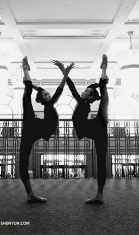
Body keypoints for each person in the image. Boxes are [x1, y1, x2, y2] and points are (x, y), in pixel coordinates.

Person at [54, 55, 109, 204]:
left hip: (96, 127)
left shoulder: (83, 103)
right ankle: (99, 195)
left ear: (89, 96)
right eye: (84, 90)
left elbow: (71, 87)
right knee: (101, 162)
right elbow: (71, 87)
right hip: (94, 128)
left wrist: (64, 72)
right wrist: (63, 72)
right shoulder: (82, 103)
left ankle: (99, 195)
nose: (83, 92)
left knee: (105, 97)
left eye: (86, 91)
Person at [20, 56, 74, 203]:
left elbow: (46, 90)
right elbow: (60, 89)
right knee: (26, 95)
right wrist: (65, 73)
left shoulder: (48, 104)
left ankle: (25, 71)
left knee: (27, 93)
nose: (49, 95)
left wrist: (35, 87)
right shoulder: (49, 105)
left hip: (36, 128)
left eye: (49, 94)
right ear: (42, 99)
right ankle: (30, 194)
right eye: (46, 95)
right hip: (34, 127)